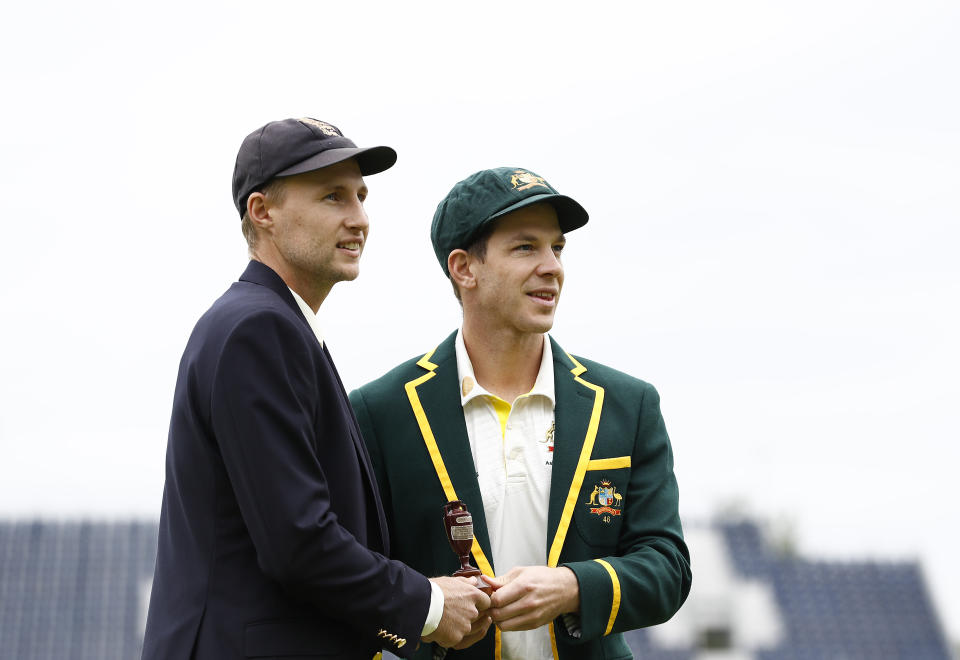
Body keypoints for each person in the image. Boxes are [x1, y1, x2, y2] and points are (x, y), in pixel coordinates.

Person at [142, 118, 490, 660]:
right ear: (263, 212)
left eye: (361, 196)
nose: (360, 219)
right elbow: (297, 543)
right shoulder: (260, 329)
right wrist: (429, 604)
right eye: (332, 196)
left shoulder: (273, 324)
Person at [349, 167, 692, 660]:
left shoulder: (628, 404)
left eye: (557, 247)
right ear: (464, 268)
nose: (552, 266)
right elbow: (356, 579)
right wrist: (429, 611)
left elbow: (668, 567)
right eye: (526, 247)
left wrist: (573, 586)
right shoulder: (380, 410)